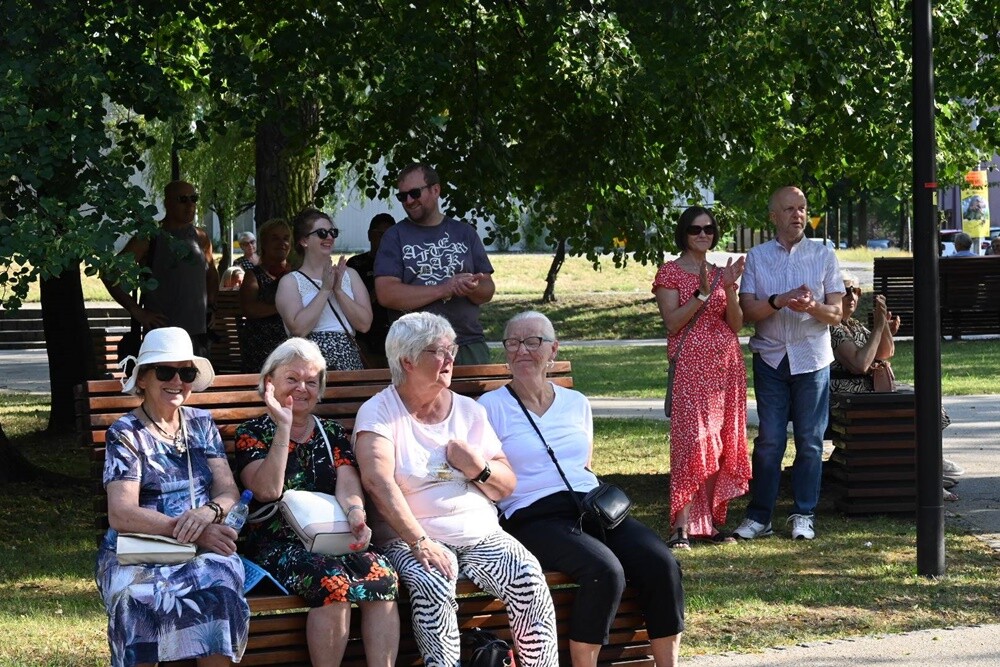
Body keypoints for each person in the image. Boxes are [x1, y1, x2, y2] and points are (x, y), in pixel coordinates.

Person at [478, 311, 685, 667]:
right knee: (603, 571)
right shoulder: (489, 408)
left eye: (533, 341)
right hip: (533, 514)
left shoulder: (576, 403)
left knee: (661, 562)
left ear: (553, 349)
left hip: (591, 506)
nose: (522, 350)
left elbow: (584, 463)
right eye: (513, 342)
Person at [353, 311, 559, 667]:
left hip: (481, 534)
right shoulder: (379, 414)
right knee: (434, 584)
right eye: (439, 351)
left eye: (452, 349)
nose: (451, 358)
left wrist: (477, 468)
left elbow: (507, 483)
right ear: (407, 360)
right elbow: (377, 482)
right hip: (411, 538)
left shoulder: (468, 411)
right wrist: (420, 542)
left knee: (527, 576)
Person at [234, 338, 399, 667]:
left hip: (333, 535)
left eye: (312, 381)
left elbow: (348, 483)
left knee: (383, 576)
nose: (302, 388)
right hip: (276, 542)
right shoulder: (252, 432)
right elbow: (267, 490)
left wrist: (356, 516)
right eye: (292, 379)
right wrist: (283, 425)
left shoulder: (331, 433)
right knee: (333, 583)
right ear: (270, 383)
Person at [95, 327, 249, 667]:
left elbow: (228, 491)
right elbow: (121, 514)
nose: (177, 381)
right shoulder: (126, 433)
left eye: (187, 372)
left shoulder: (201, 424)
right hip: (141, 547)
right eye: (166, 371)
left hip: (201, 546)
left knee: (220, 591)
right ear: (144, 380)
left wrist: (208, 513)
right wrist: (191, 529)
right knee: (135, 598)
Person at [734, 186, 844, 541]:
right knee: (769, 441)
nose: (797, 214)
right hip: (770, 358)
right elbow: (748, 312)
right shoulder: (757, 257)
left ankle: (803, 513)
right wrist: (779, 300)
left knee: (811, 441)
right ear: (774, 217)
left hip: (812, 359)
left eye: (802, 208)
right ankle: (759, 517)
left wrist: (811, 307)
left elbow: (837, 314)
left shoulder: (823, 255)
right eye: (789, 209)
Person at [652, 207, 751, 548]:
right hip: (692, 366)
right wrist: (703, 294)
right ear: (684, 233)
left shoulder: (717, 271)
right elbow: (673, 322)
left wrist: (731, 290)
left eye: (709, 228)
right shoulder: (670, 272)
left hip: (726, 366)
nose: (703, 234)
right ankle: (681, 524)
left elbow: (736, 324)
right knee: (693, 441)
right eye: (695, 229)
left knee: (720, 441)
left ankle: (707, 523)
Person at [830, 273, 962, 501]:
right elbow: (860, 364)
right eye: (845, 291)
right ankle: (926, 473)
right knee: (908, 414)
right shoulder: (833, 327)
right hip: (847, 398)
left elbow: (884, 353)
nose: (851, 296)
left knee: (926, 405)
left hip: (867, 395)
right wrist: (879, 327)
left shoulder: (853, 325)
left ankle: (924, 465)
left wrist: (885, 330)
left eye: (856, 291)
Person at [374, 163, 495, 365]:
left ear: (436, 190)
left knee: (474, 398)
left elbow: (488, 289)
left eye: (414, 193)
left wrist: (471, 288)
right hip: (414, 348)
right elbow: (386, 294)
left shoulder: (465, 233)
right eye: (402, 196)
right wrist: (444, 289)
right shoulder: (394, 237)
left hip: (466, 343)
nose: (409, 201)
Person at [102, 181, 219, 357]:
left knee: (197, 382)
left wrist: (211, 307)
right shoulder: (150, 236)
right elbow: (110, 273)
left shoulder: (201, 237)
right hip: (162, 335)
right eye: (182, 199)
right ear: (167, 203)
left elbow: (211, 274)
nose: (190, 205)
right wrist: (137, 311)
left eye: (193, 198)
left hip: (198, 333)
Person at [276, 208, 372, 370]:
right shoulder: (290, 282)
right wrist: (325, 290)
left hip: (348, 361)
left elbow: (364, 324)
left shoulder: (350, 275)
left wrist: (339, 291)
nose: (329, 237)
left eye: (332, 232)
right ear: (304, 241)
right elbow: (299, 329)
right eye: (321, 233)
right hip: (308, 363)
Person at [239, 218, 293, 373]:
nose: (281, 243)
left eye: (285, 238)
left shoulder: (297, 273)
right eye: (275, 238)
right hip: (260, 347)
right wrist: (282, 307)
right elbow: (249, 309)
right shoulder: (253, 275)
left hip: (293, 344)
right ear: (264, 243)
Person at [347, 213, 396, 368]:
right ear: (370, 235)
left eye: (389, 235)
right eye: (380, 234)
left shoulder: (401, 264)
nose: (384, 239)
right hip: (365, 335)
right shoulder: (356, 264)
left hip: (395, 332)